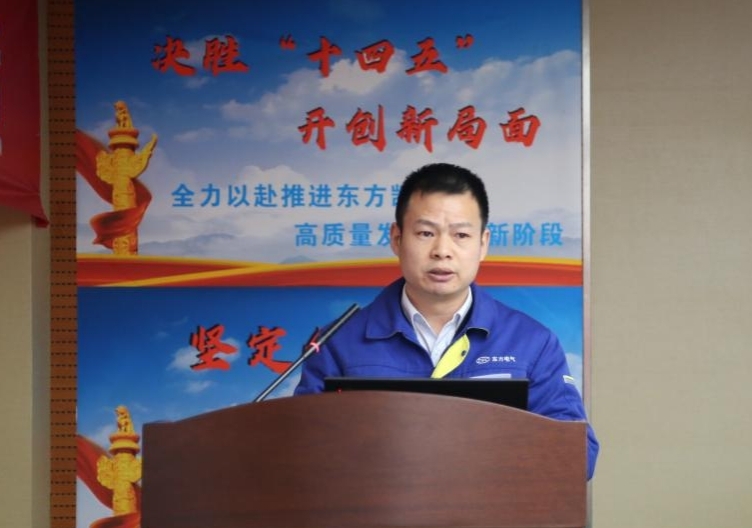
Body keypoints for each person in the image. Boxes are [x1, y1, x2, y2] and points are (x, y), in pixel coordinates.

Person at [294, 162, 599, 479]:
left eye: (461, 235)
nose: (442, 251)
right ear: (397, 238)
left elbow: (579, 457)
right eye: (425, 233)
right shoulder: (337, 342)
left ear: (483, 244)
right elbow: (299, 451)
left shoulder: (531, 341)